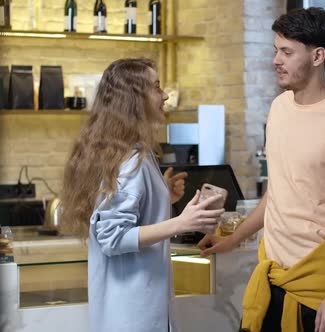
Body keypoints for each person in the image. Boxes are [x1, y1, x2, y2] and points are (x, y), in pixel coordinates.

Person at [198, 7, 325, 332]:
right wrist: (233, 239)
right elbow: (277, 194)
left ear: (318, 55)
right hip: (270, 271)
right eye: (276, 50)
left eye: (286, 52)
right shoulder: (279, 108)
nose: (276, 60)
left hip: (318, 282)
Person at [60, 58, 225, 332]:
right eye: (156, 87)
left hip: (128, 312)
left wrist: (161, 198)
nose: (165, 95)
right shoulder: (130, 159)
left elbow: (126, 215)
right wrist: (181, 223)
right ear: (134, 99)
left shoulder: (128, 151)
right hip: (134, 316)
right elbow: (112, 238)